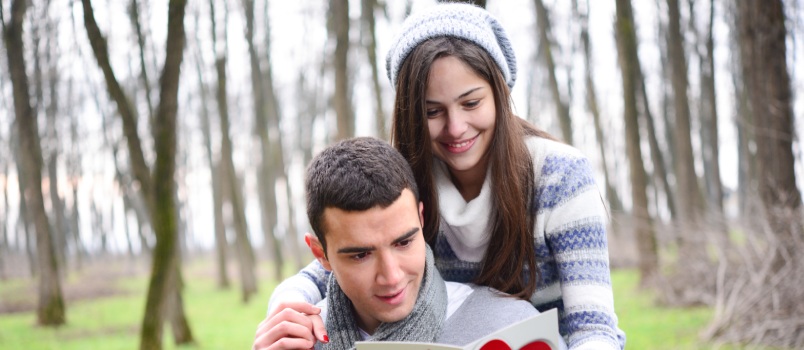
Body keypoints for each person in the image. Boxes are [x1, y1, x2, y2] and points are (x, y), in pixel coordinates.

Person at [266, 3, 625, 349]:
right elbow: (344, 256)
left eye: (471, 103)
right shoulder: (412, 177)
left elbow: (593, 326)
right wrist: (287, 303)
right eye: (433, 111)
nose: (456, 128)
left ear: (500, 93)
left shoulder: (560, 177)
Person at [253, 137, 560, 350]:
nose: (392, 276)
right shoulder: (295, 342)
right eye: (361, 255)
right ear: (321, 255)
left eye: (403, 242)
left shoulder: (509, 326)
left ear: (422, 219)